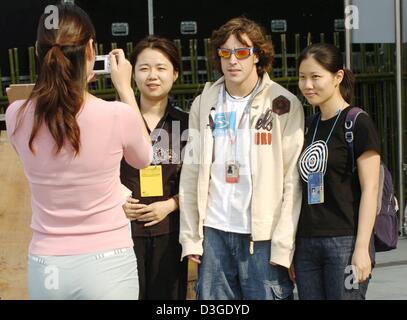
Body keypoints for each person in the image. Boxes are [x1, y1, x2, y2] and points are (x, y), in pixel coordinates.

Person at [5, 3, 152, 299]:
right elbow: (144, 158)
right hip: (108, 261)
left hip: (47, 264)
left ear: (38, 52)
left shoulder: (16, 115)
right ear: (90, 50)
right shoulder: (116, 115)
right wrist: (125, 89)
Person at [179, 17, 304, 300]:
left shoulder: (282, 103)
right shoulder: (204, 101)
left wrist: (283, 245)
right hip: (213, 235)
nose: (232, 60)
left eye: (242, 52)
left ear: (257, 56)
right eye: (225, 53)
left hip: (262, 238)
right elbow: (192, 170)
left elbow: (292, 181)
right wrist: (191, 239)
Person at [294, 43, 380, 300]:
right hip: (306, 243)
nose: (307, 85)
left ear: (338, 77)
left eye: (316, 77)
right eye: (302, 77)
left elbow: (371, 189)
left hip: (345, 241)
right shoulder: (306, 126)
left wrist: (362, 247)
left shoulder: (357, 122)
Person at [114, 36, 189, 300]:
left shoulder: (186, 123)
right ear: (132, 74)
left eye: (161, 68)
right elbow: (97, 171)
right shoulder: (113, 119)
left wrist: (172, 204)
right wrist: (118, 199)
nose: (152, 76)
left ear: (175, 74)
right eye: (144, 68)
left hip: (170, 232)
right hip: (123, 231)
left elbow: (201, 179)